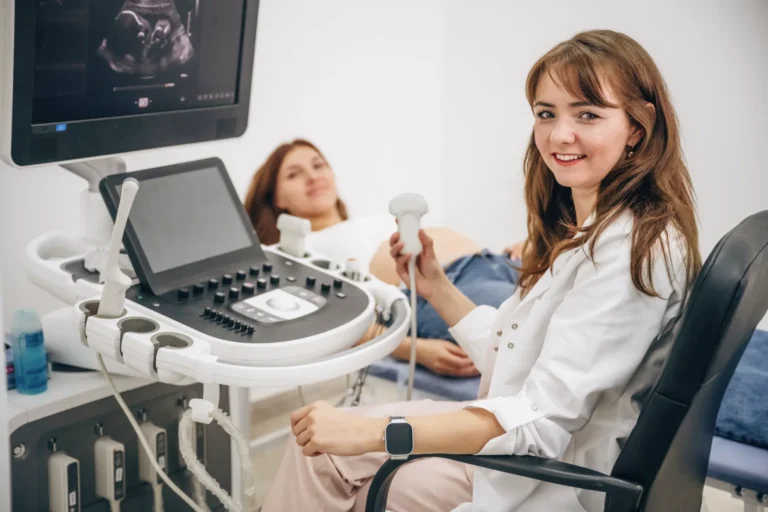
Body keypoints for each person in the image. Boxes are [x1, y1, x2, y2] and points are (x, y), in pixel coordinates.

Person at [260, 29, 702, 512]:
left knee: (354, 473)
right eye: (546, 113)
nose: (559, 135)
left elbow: (539, 422)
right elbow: (523, 347)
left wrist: (368, 432)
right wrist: (435, 286)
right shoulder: (600, 227)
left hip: (553, 477)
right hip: (527, 443)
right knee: (332, 459)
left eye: (588, 114)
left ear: (638, 127)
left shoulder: (628, 251)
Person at [244, 140, 524, 378]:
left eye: (318, 166)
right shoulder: (290, 252)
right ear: (276, 197)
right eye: (294, 174)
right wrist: (415, 349)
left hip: (496, 262)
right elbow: (330, 325)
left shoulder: (363, 221)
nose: (313, 176)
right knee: (542, 323)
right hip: (443, 292)